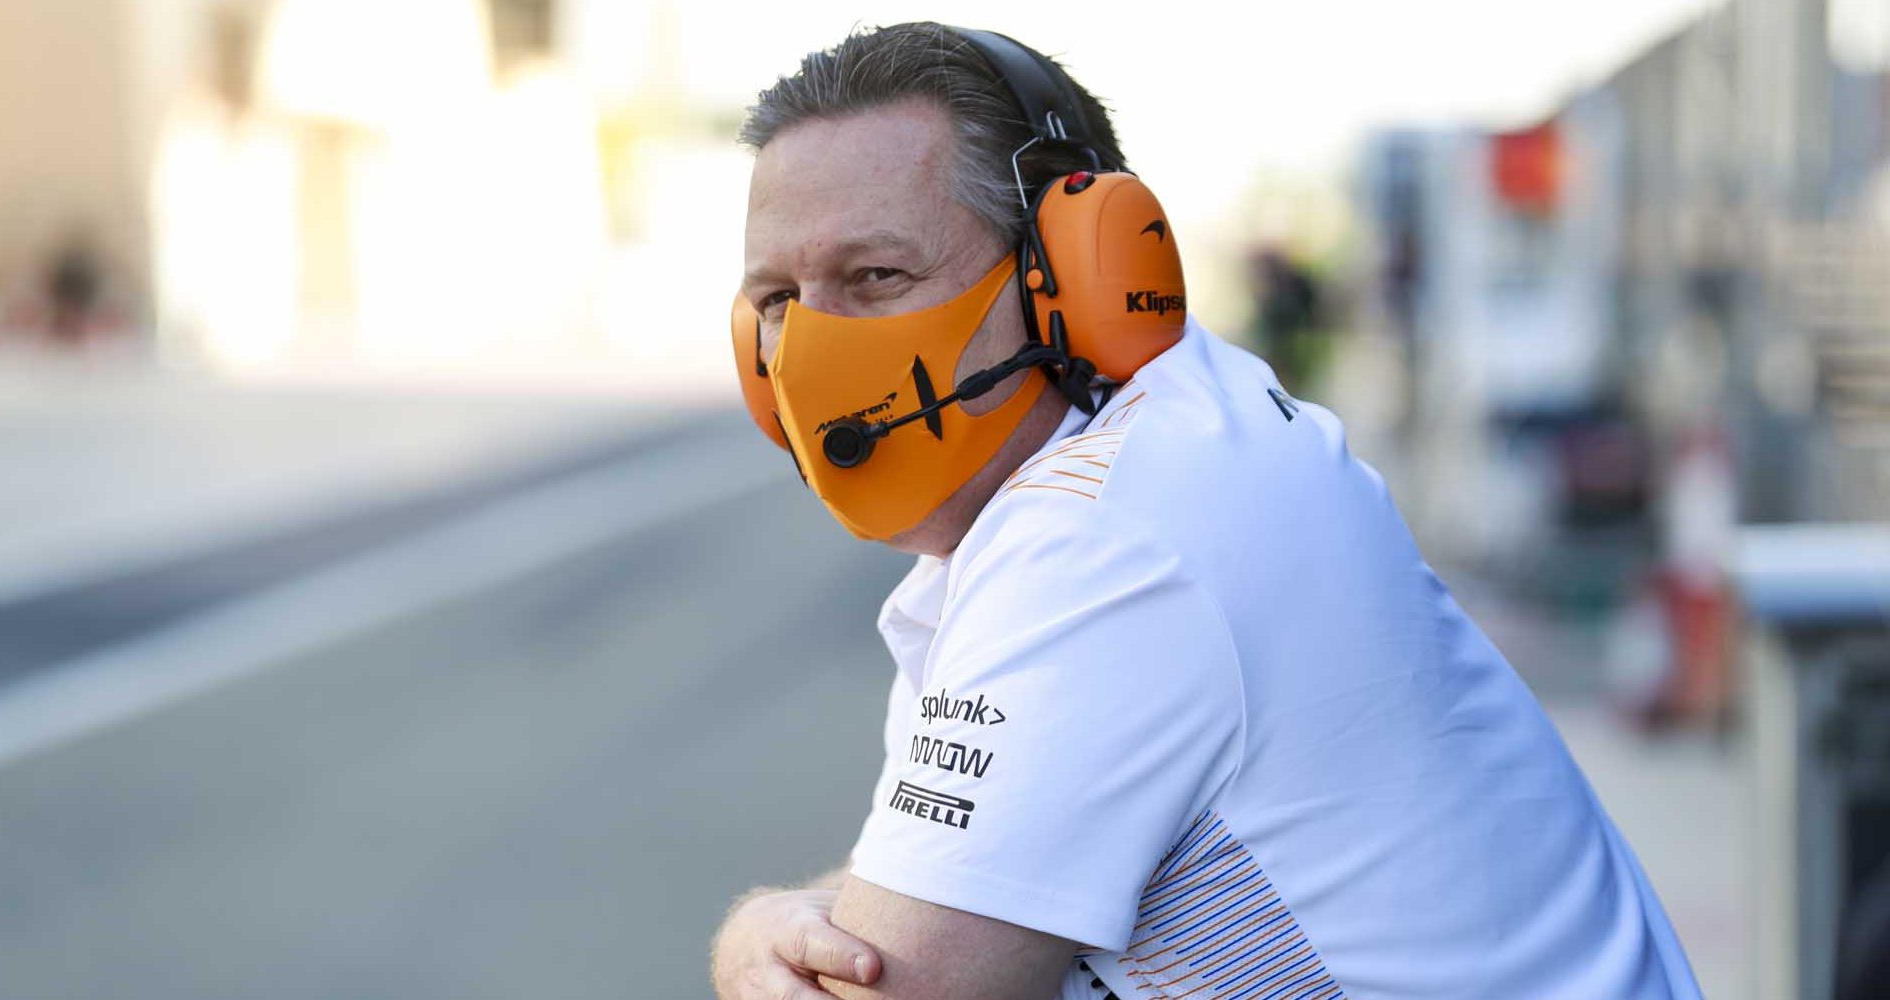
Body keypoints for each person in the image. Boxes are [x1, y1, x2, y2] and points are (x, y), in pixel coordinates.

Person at [713, 23, 1703, 1000]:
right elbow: (943, 888)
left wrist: (747, 934)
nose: (805, 353)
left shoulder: (1103, 539)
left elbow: (891, 981)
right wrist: (796, 918)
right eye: (777, 300)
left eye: (875, 277)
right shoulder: (1172, 441)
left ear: (1077, 272)